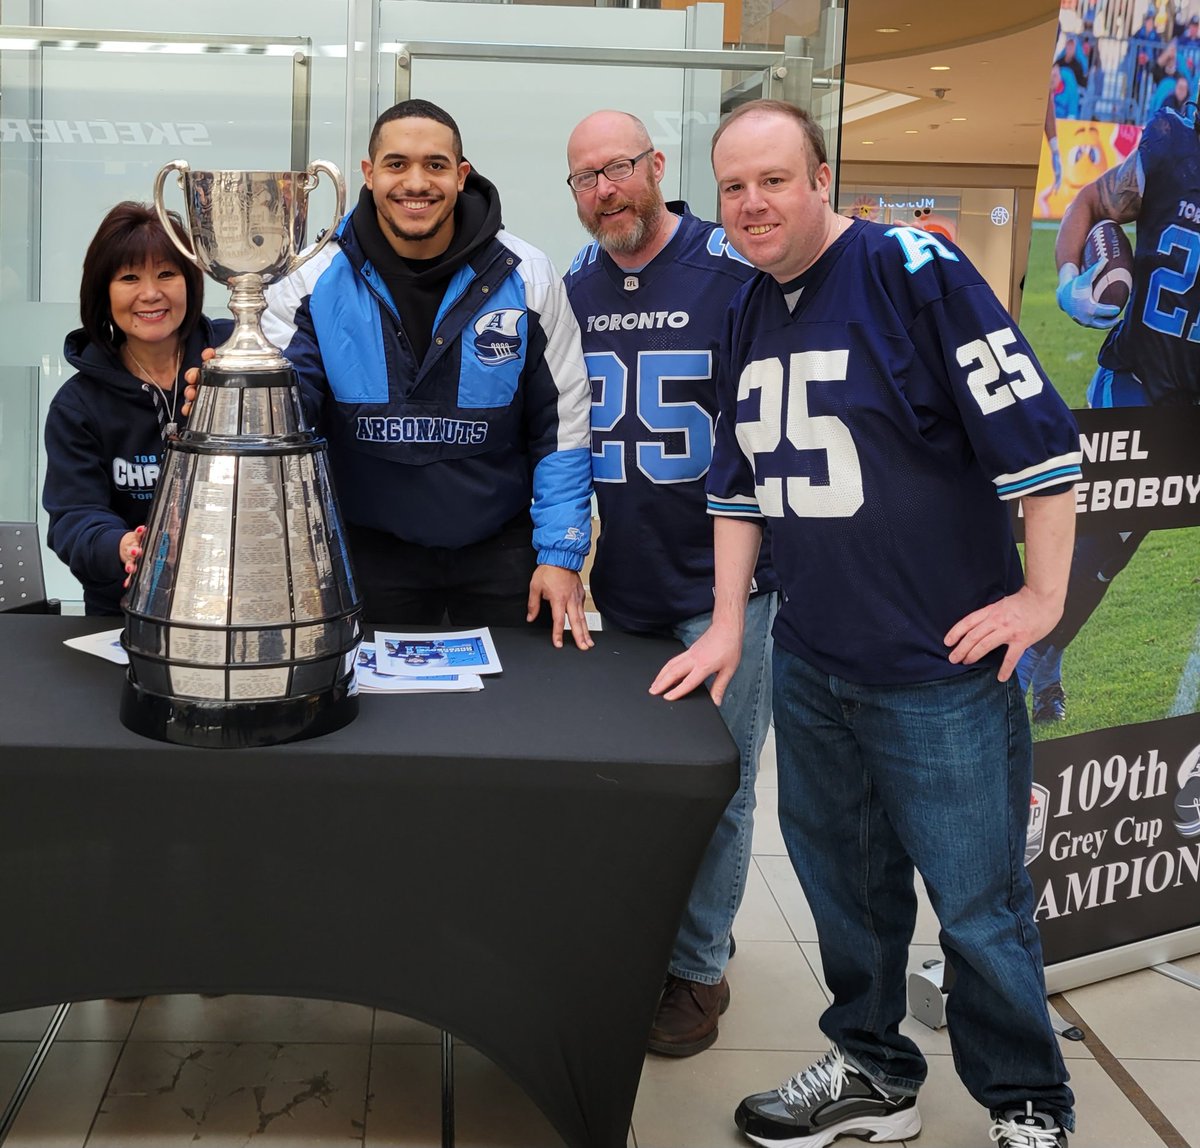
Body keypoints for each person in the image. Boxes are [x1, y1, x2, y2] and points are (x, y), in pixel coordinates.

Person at [651, 100, 1080, 1147]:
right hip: (812, 657)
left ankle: (1027, 1098)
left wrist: (1044, 597)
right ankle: (875, 1070)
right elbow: (739, 486)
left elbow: (1043, 446)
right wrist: (722, 626)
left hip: (933, 664)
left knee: (976, 905)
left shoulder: (909, 267)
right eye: (735, 185)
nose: (753, 203)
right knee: (846, 893)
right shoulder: (752, 305)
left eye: (774, 179)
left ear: (821, 175)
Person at [562, 110, 779, 1056]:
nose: (604, 190)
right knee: (639, 785)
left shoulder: (732, 273)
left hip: (727, 588)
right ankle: (651, 944)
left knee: (719, 785)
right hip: (627, 583)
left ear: (656, 166)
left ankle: (698, 971)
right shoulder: (573, 290)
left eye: (616, 169)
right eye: (583, 179)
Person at [259, 99, 594, 648]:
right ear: (369, 175)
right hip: (364, 554)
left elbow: (562, 429)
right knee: (373, 729)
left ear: (462, 176)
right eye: (396, 164)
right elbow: (283, 426)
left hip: (502, 556)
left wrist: (560, 554)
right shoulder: (310, 279)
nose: (416, 182)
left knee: (513, 722)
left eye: (436, 165)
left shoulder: (527, 274)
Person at [1019, 102, 1200, 721]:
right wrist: (1072, 280)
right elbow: (1090, 206)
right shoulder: (1174, 148)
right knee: (1105, 535)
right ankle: (1021, 668)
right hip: (1138, 381)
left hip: (1189, 400)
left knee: (1109, 547)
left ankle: (1043, 666)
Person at [43, 201, 219, 615]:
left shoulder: (227, 363)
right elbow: (73, 517)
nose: (151, 293)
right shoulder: (78, 404)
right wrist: (121, 546)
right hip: (122, 614)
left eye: (166, 273)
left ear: (190, 283)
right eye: (129, 277)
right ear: (103, 293)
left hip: (231, 603)